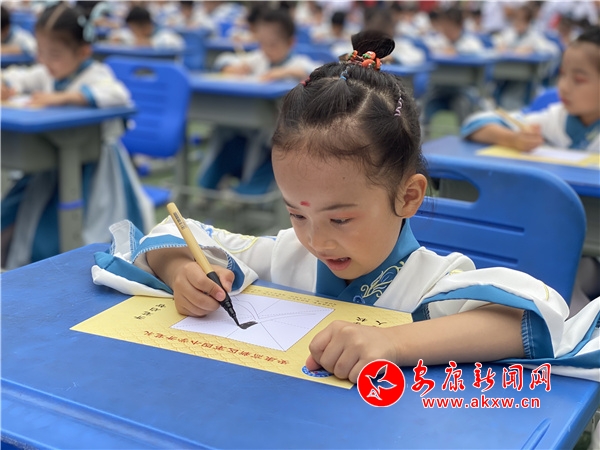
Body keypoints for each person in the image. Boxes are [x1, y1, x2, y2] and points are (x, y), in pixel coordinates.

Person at [92, 31, 599, 384]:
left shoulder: (433, 284)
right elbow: (175, 236)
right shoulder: (288, 256)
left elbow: (533, 320)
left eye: (340, 218)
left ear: (408, 196)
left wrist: (394, 345)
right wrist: (181, 271)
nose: (316, 239)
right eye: (296, 213)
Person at [0, 3, 154, 269]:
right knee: (11, 213)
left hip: (95, 174)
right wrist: (6, 85)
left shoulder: (95, 74)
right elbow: (18, 77)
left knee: (66, 241)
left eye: (54, 54)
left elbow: (118, 94)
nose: (44, 61)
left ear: (83, 52)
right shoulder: (46, 72)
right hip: (50, 168)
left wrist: (65, 97)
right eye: (40, 52)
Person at [462, 26, 600, 317]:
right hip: (558, 241)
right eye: (562, 74)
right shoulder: (555, 119)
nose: (564, 87)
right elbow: (475, 124)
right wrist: (511, 138)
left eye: (578, 79)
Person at [200, 8, 318, 196]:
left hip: (277, 135)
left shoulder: (298, 63)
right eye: (262, 43)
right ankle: (209, 186)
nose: (266, 49)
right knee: (224, 133)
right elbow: (223, 61)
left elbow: (317, 73)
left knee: (267, 142)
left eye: (273, 44)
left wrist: (284, 72)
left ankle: (251, 190)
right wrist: (232, 68)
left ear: (290, 42)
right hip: (248, 127)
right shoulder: (258, 59)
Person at [108, 5, 184, 49]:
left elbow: (179, 45)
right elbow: (115, 36)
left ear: (148, 26)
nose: (134, 31)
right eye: (132, 27)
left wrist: (151, 44)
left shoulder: (165, 36)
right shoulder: (127, 36)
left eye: (137, 28)